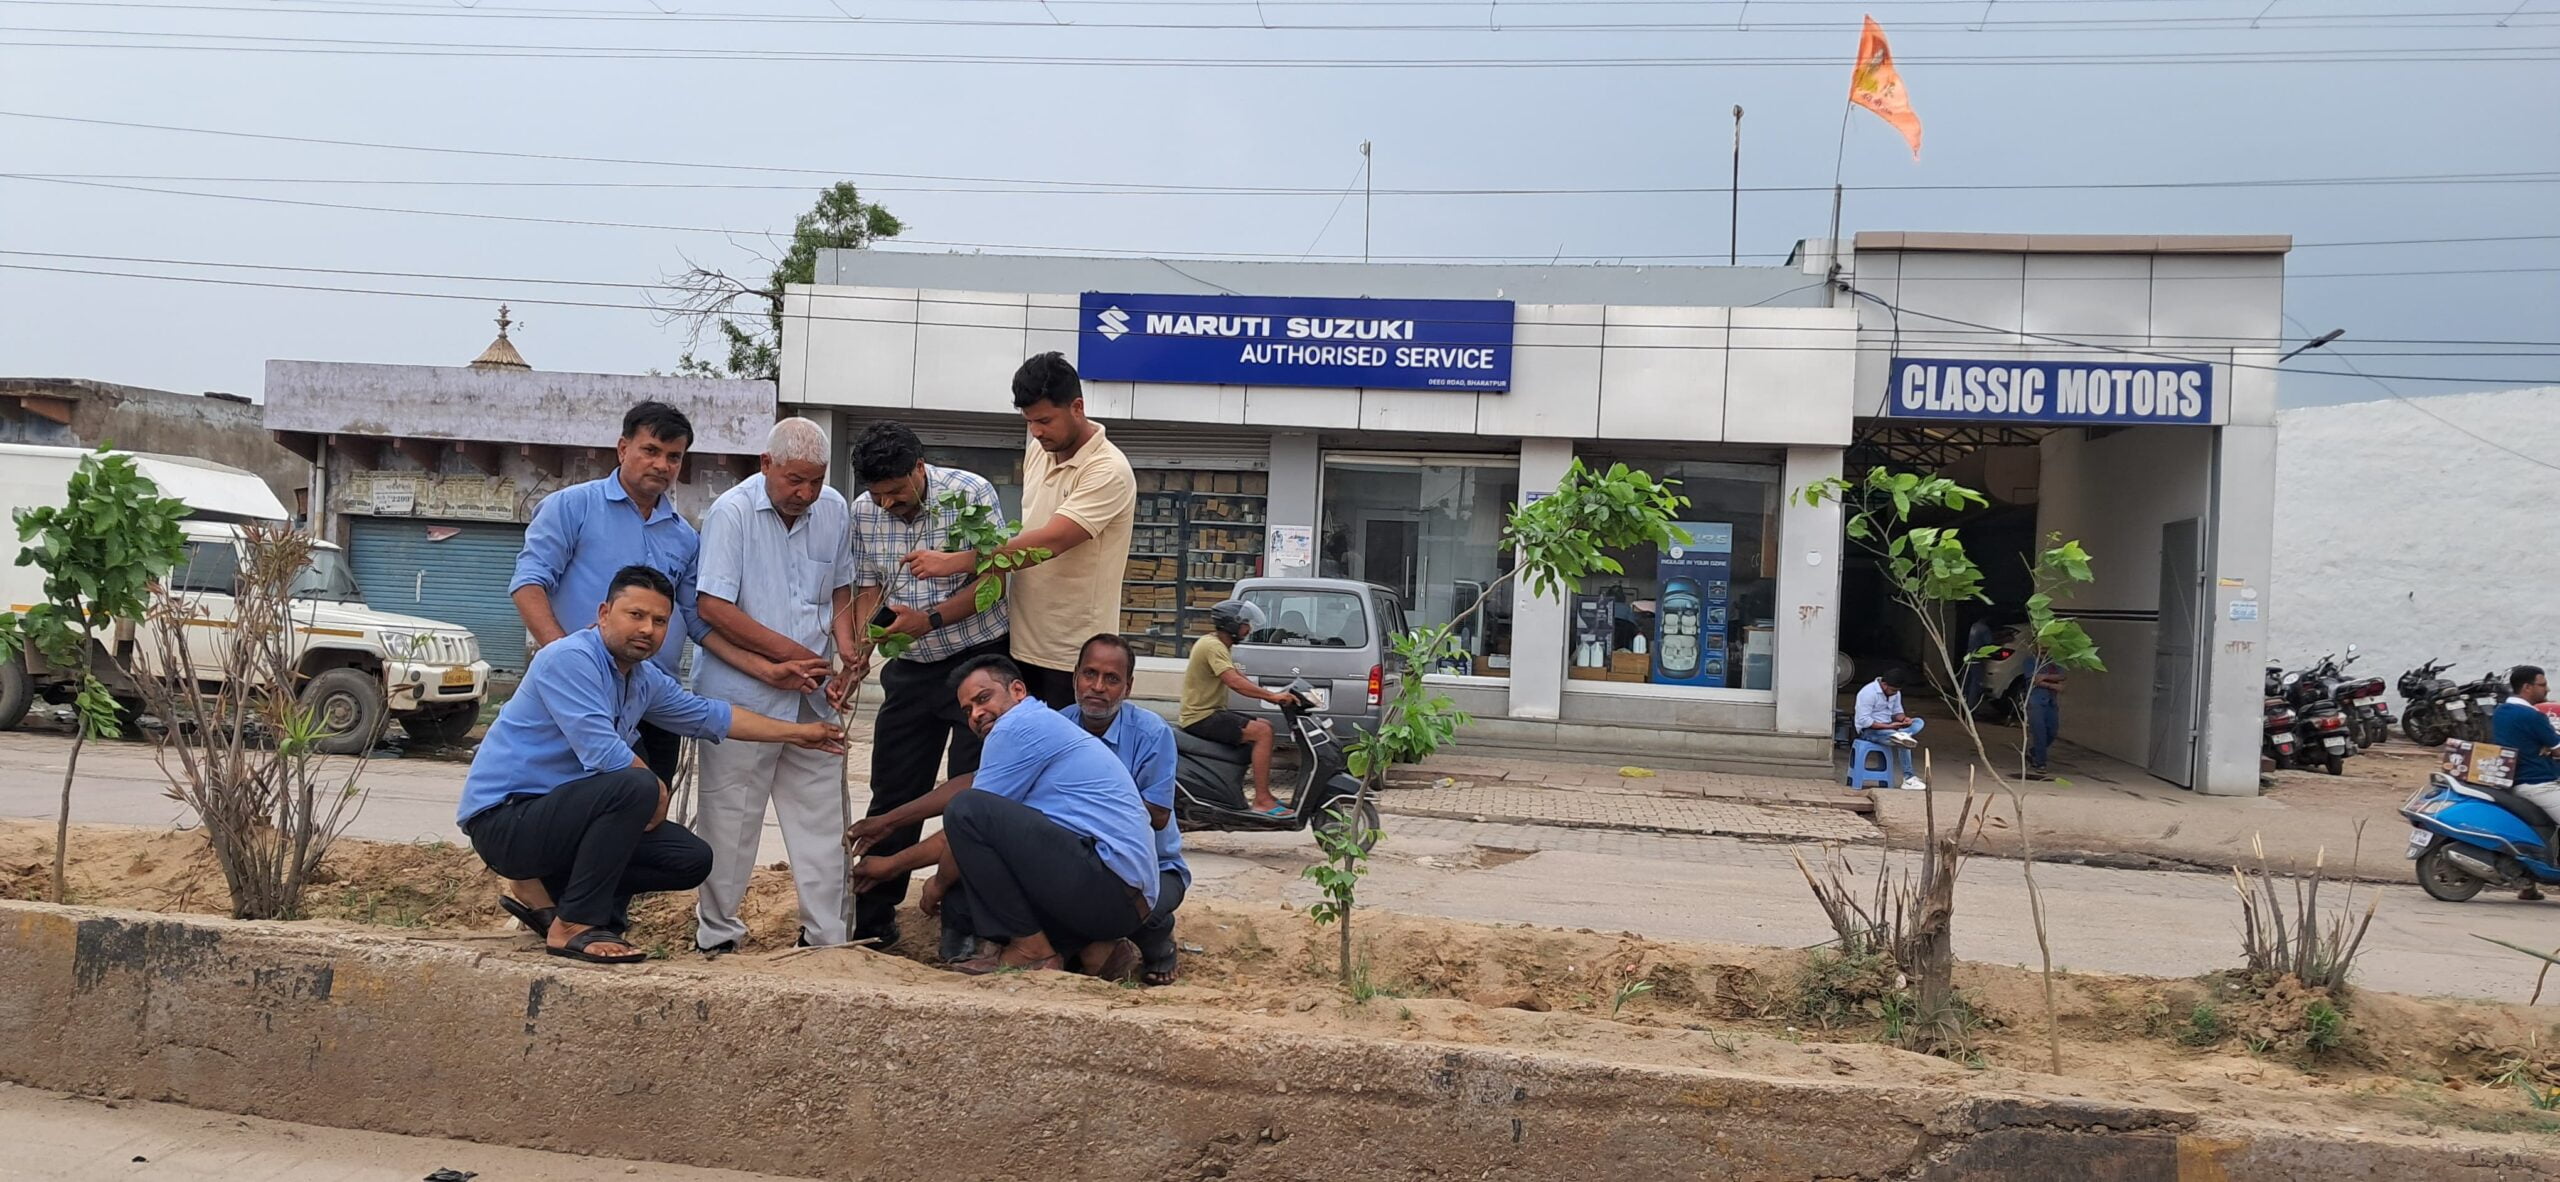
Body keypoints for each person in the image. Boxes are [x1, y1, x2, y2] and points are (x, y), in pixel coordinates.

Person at [458, 566, 846, 964]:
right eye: (636, 615)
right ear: (604, 613)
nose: (648, 629)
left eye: (660, 621)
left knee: (689, 859)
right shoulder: (569, 659)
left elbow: (708, 715)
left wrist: (799, 733)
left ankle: (547, 895)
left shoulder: (641, 678)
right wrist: (656, 793)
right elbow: (603, 753)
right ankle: (573, 925)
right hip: (506, 820)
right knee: (636, 785)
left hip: (558, 822)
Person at [846, 654, 1156, 978]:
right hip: (1126, 900)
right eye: (968, 710)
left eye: (983, 698)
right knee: (971, 870)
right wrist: (887, 826)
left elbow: (967, 817)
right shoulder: (1037, 724)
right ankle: (1096, 950)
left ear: (1018, 690)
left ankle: (1032, 951)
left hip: (1110, 887)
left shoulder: (1017, 727)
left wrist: (926, 880)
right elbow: (967, 784)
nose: (977, 714)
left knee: (966, 818)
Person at [689, 418, 860, 953]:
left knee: (822, 816)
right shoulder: (731, 513)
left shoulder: (832, 508)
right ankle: (718, 935)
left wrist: (849, 653)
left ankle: (827, 938)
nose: (804, 493)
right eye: (793, 481)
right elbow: (712, 606)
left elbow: (840, 591)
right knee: (731, 818)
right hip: (741, 695)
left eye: (814, 480)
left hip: (813, 694)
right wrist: (796, 656)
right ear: (766, 464)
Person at [843, 420, 1013, 948]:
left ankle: (963, 924)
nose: (888, 503)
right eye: (878, 494)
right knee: (894, 790)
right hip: (911, 671)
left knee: (973, 795)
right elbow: (869, 587)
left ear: (920, 468)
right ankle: (872, 920)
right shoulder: (863, 513)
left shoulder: (970, 494)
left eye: (896, 491)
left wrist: (931, 619)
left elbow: (995, 582)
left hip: (978, 661)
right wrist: (866, 645)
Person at [902, 352, 1134, 710]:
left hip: (1071, 653)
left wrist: (958, 561)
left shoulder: (1108, 470)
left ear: (1077, 407)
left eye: (1044, 420)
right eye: (1029, 421)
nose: (1037, 431)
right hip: (1020, 640)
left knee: (1061, 759)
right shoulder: (1040, 450)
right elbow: (1028, 530)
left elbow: (1050, 541)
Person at [510, 401, 710, 787]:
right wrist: (568, 664)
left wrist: (768, 666)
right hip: (581, 701)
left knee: (650, 821)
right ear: (623, 449)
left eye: (674, 457)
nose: (662, 465)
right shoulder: (571, 507)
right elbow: (528, 584)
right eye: (650, 450)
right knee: (577, 817)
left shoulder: (684, 536)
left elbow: (698, 620)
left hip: (654, 702)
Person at [1181, 599, 1300, 815]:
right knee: (1262, 732)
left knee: (1264, 725)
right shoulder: (1213, 646)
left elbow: (1237, 675)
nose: (1249, 628)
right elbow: (1234, 682)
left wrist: (1278, 692)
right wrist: (1272, 697)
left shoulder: (1217, 644)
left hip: (1210, 713)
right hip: (1200, 717)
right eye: (1246, 623)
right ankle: (1262, 800)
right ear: (1232, 624)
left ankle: (1261, 795)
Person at [2490, 665, 2560, 902]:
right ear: (2527, 687)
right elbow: (2557, 748)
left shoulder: (2501, 711)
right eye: (2542, 684)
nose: (2547, 688)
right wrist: (2551, 750)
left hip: (2515, 781)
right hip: (2538, 784)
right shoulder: (2533, 716)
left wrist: (2546, 749)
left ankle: (2528, 885)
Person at [1853, 667, 1928, 791]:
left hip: (1891, 728)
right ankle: (1908, 778)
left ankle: (1902, 734)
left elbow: (1897, 712)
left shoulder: (1895, 692)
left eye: (1897, 691)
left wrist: (1904, 720)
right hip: (1870, 731)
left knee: (1918, 722)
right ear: (1884, 684)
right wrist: (1889, 727)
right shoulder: (1868, 693)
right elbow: (1864, 721)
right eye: (1893, 690)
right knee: (1903, 742)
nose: (1895, 693)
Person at [2025, 654, 2066, 780]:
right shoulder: (2030, 660)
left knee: (2052, 731)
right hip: (2036, 701)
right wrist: (2053, 684)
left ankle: (2035, 752)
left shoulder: (2055, 661)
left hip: (2051, 701)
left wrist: (2045, 678)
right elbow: (2034, 679)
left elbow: (2063, 676)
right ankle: (2040, 763)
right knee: (2040, 732)